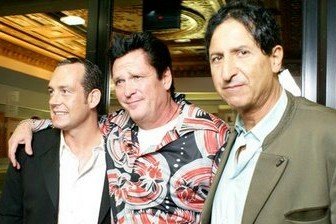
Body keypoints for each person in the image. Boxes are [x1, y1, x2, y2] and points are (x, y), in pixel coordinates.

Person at [7, 32, 229, 223]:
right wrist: (28, 124)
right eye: (120, 81)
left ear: (165, 78)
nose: (127, 90)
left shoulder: (213, 137)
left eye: (136, 77)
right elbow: (75, 119)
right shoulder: (116, 126)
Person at [201, 1, 336, 224]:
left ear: (274, 58)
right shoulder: (227, 140)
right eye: (217, 58)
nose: (226, 72)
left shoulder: (328, 133)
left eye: (242, 53)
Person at [0, 58, 110, 223]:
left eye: (65, 91)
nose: (53, 101)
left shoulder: (123, 151)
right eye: (51, 91)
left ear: (93, 98)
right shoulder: (29, 149)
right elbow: (9, 216)